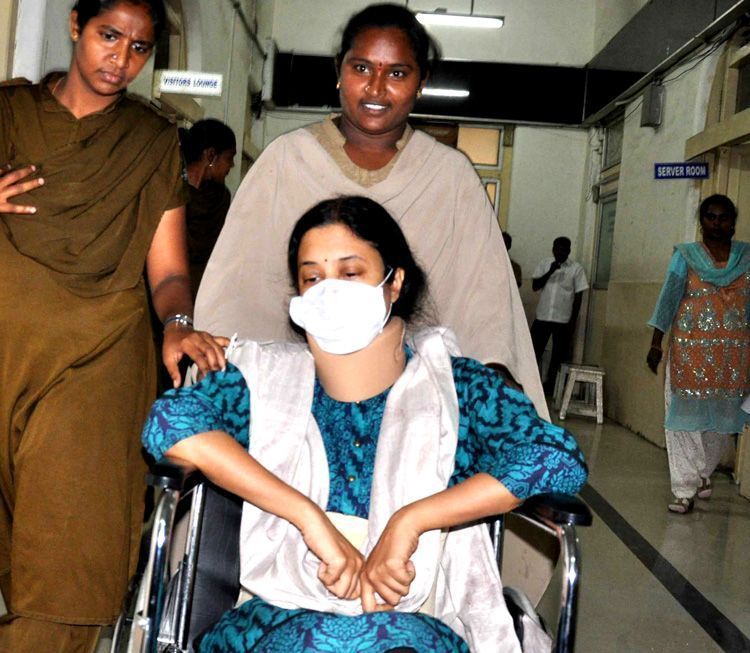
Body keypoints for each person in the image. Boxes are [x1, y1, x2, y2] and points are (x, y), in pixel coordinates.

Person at [143, 196, 588, 652]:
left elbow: (555, 458)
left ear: (395, 283)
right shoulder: (261, 380)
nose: (329, 291)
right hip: (277, 607)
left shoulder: (457, 388)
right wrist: (308, 519)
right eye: (312, 278)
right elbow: (169, 424)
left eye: (351, 273)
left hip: (415, 614)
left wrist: (411, 522)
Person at [195, 3, 549, 418]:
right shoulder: (285, 162)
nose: (376, 88)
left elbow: (485, 306)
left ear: (421, 82)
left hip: (416, 408)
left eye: (397, 73)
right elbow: (236, 293)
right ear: (338, 70)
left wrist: (493, 383)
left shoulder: (451, 178)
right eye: (361, 68)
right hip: (293, 402)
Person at [0, 1, 226, 649]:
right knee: (22, 552)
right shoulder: (9, 113)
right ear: (76, 24)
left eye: (139, 48)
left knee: (70, 554)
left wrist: (177, 322)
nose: (121, 59)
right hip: (9, 354)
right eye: (108, 36)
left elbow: (168, 268)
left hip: (96, 362)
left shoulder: (151, 141)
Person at [647, 194, 750, 514]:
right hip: (688, 355)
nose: (716, 223)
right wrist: (655, 343)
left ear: (733, 223)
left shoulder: (747, 258)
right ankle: (683, 489)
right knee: (681, 420)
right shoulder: (686, 256)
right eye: (710, 217)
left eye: (723, 217)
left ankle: (703, 473)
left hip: (732, 358)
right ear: (701, 221)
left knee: (722, 420)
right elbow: (668, 298)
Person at [180, 118, 237, 296]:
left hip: (205, 294)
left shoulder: (220, 199)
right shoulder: (171, 195)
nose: (232, 165)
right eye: (229, 157)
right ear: (211, 155)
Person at [530, 236, 589, 393]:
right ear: (553, 249)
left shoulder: (576, 269)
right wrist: (550, 271)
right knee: (533, 351)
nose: (559, 252)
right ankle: (530, 384)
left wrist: (573, 322)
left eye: (563, 250)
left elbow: (578, 297)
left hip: (562, 320)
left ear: (569, 251)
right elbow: (535, 286)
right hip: (542, 316)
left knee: (559, 356)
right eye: (557, 249)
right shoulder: (544, 264)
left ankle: (551, 388)